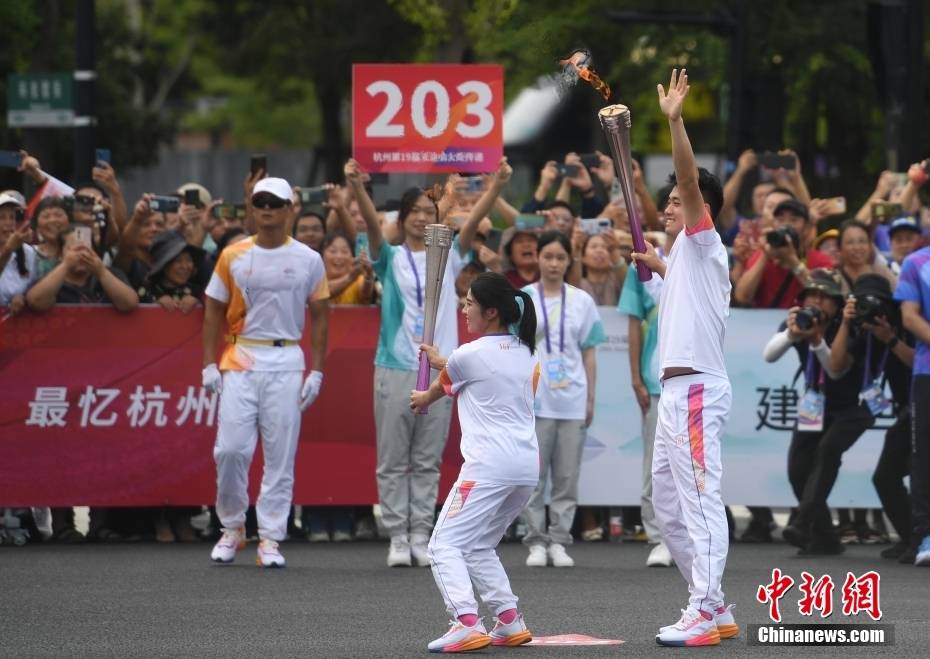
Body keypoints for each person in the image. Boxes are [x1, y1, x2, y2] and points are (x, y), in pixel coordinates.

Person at [347, 156, 513, 567]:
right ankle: (397, 537)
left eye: (429, 212)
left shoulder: (450, 251)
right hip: (396, 366)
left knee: (426, 458)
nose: (422, 219)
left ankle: (421, 533)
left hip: (441, 370)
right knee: (392, 458)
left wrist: (496, 186)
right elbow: (369, 225)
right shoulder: (389, 256)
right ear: (402, 219)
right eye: (415, 213)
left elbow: (472, 223)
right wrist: (355, 186)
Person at [629, 69, 736, 646]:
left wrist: (674, 120)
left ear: (701, 212)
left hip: (696, 390)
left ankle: (700, 609)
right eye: (668, 202)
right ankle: (713, 604)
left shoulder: (705, 242)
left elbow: (692, 181)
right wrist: (657, 263)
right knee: (668, 511)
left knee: (698, 501)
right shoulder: (684, 262)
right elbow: (679, 283)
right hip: (674, 394)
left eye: (675, 202)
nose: (668, 208)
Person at [202, 176, 330, 568]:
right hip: (241, 359)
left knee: (279, 455)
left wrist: (317, 371)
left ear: (290, 207)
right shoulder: (233, 255)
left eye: (276, 203)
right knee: (230, 450)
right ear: (252, 209)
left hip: (287, 360)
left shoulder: (309, 259)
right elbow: (212, 310)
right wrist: (208, 363)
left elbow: (321, 315)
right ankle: (233, 527)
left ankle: (271, 537)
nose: (268, 210)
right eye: (261, 203)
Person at [410, 272, 539, 652]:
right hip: (525, 468)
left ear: (492, 311)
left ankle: (465, 620)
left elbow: (444, 382)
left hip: (488, 467)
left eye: (469, 303)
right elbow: (462, 372)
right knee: (480, 545)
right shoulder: (528, 353)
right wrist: (442, 364)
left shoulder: (469, 355)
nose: (464, 309)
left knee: (443, 545)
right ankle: (509, 619)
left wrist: (423, 397)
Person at [521, 231, 605, 568]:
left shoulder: (582, 301)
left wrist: (591, 397)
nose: (554, 263)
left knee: (567, 476)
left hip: (572, 399)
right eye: (548, 256)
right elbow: (515, 350)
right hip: (536, 400)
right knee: (534, 475)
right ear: (537, 258)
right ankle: (535, 541)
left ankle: (559, 540)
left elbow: (589, 353)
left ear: (570, 261)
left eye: (560, 257)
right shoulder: (523, 298)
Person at [761, 268, 856, 555]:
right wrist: (792, 333)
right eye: (811, 295)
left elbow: (836, 371)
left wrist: (816, 340)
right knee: (797, 468)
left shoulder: (846, 324)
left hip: (850, 407)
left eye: (824, 296)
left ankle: (804, 525)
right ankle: (825, 536)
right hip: (815, 403)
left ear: (837, 302)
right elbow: (769, 354)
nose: (816, 301)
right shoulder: (800, 321)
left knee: (826, 454)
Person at [618, 220, 673, 567]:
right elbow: (634, 325)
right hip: (656, 381)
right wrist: (636, 377)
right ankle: (659, 536)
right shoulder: (643, 265)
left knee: (690, 465)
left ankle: (685, 536)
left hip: (692, 379)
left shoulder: (702, 259)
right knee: (656, 463)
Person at [894, 241, 930, 566]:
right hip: (927, 373)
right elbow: (909, 317)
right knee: (924, 456)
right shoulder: (916, 262)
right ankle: (925, 535)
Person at [734, 199, 834, 308]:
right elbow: (742, 297)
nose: (786, 225)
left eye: (794, 220)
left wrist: (793, 261)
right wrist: (765, 256)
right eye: (780, 220)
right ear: (773, 225)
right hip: (765, 323)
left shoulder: (821, 260)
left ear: (806, 228)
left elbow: (825, 297)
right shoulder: (761, 255)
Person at [25, 224, 139, 312]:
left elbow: (129, 303)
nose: (81, 254)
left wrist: (101, 272)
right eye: (73, 248)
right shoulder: (53, 279)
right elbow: (35, 302)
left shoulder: (111, 274)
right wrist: (66, 265)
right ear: (60, 255)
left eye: (86, 248)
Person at [136, 230, 205, 312]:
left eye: (189, 260)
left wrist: (198, 301)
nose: (185, 266)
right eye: (178, 261)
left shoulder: (197, 291)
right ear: (163, 266)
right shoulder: (145, 290)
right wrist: (154, 304)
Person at [0, 193, 36, 313]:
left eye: (12, 217)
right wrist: (8, 250)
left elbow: (35, 289)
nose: (8, 223)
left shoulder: (29, 252)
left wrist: (24, 297)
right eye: (1, 218)